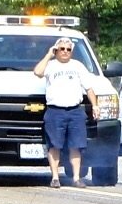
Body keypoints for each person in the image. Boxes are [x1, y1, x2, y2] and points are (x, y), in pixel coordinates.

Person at [31, 35, 97, 187]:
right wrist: (49, 54)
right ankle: (55, 178)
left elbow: (89, 88)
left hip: (75, 111)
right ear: (56, 50)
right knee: (55, 145)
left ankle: (76, 178)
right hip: (55, 111)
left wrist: (95, 105)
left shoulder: (78, 66)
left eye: (68, 49)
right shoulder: (51, 65)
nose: (65, 52)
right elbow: (37, 72)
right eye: (62, 49)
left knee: (76, 145)